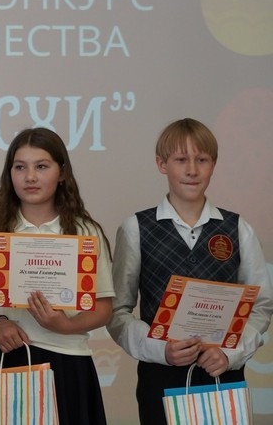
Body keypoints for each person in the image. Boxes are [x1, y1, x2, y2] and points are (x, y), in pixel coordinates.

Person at [107, 118, 273, 424]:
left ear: (214, 164)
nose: (192, 170)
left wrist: (230, 353)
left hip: (222, 374)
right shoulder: (136, 228)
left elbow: (261, 306)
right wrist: (161, 350)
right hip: (160, 377)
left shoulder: (238, 228)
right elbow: (117, 311)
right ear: (162, 164)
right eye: (181, 160)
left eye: (202, 160)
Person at [0, 127, 114, 425]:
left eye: (41, 166)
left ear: (61, 172)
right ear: (10, 174)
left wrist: (65, 325)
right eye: (20, 167)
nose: (30, 177)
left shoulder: (85, 231)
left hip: (69, 362)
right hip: (8, 356)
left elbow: (104, 308)